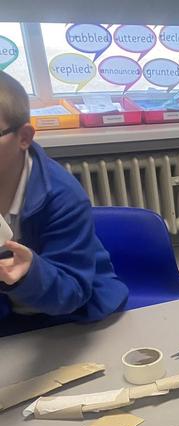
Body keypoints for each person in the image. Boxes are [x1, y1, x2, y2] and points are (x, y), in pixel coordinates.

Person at [0, 72, 127, 336]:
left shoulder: (62, 196)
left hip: (68, 316)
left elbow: (73, 291)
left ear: (24, 137)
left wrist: (29, 274)